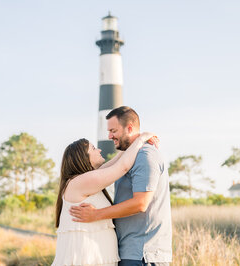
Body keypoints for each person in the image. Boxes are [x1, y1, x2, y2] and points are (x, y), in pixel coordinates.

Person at [70, 106, 172, 266]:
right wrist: (141, 138)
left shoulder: (145, 156)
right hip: (130, 252)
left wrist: (96, 215)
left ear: (129, 128)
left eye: (113, 130)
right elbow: (104, 171)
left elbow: (141, 203)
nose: (109, 136)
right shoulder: (130, 156)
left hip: (143, 253)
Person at [52, 132, 156, 266]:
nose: (99, 149)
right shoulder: (81, 181)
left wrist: (132, 143)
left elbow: (118, 160)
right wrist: (142, 138)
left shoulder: (85, 180)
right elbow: (122, 167)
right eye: (94, 148)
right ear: (83, 157)